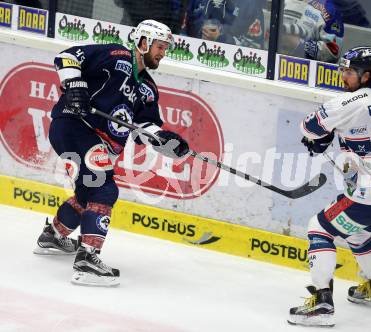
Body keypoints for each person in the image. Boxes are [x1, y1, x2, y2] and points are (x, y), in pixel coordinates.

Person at [33, 20, 189, 287]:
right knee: (104, 190)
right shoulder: (116, 55)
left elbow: (143, 128)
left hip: (96, 142)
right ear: (143, 43)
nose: (163, 53)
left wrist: (164, 139)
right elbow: (67, 57)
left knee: (87, 194)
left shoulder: (149, 89)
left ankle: (54, 235)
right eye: (160, 47)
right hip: (75, 126)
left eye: (165, 48)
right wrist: (76, 87)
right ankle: (87, 260)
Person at [288, 46, 371, 327]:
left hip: (370, 195)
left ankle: (322, 303)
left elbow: (309, 128)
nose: (343, 76)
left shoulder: (346, 103)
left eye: (348, 72)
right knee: (354, 229)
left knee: (319, 227)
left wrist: (324, 137)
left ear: (366, 74)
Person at [182, 0, 265, 49]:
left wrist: (222, 38)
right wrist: (198, 34)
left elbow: (255, 47)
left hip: (229, 71)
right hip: (193, 63)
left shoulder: (250, 5)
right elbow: (181, 32)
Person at [280, 0, 344, 63]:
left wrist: (299, 45)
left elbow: (333, 52)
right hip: (274, 63)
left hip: (305, 68)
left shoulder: (329, 9)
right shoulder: (278, 3)